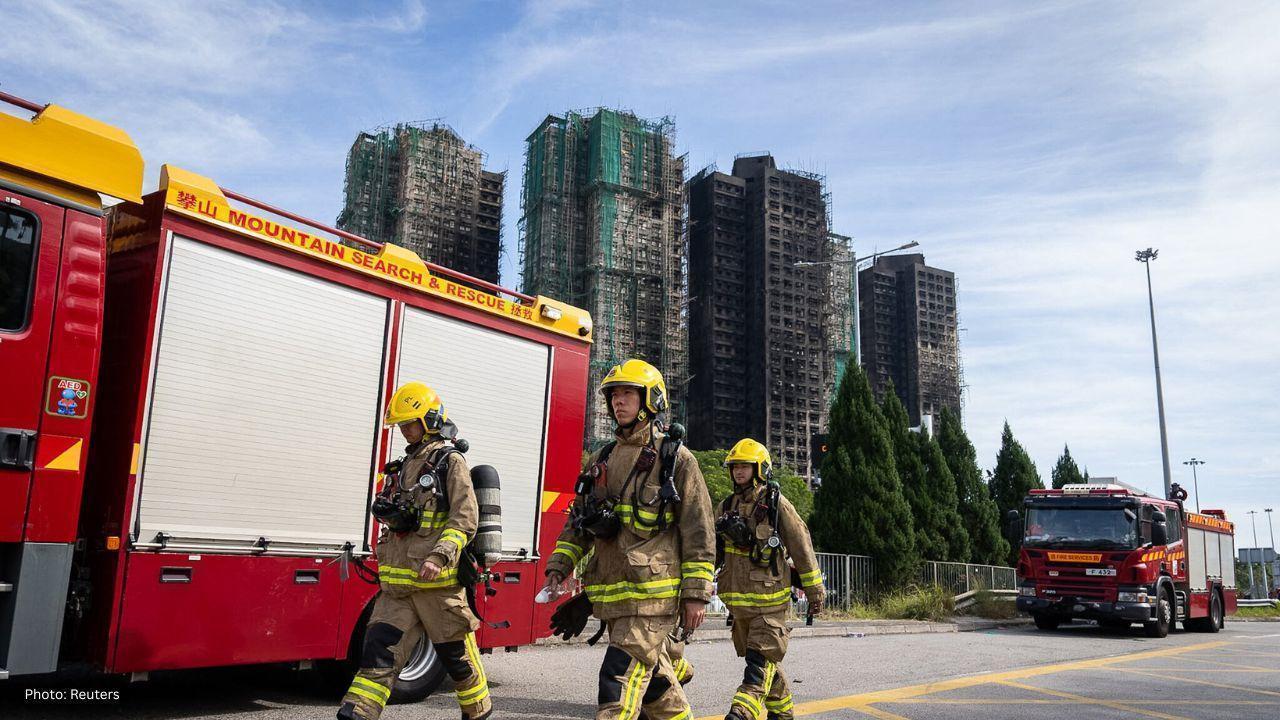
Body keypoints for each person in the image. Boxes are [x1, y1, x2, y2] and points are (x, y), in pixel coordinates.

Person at [543, 359, 715, 720]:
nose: (618, 402)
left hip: (652, 600)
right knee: (654, 688)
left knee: (616, 681)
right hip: (615, 596)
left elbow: (698, 530)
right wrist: (560, 567)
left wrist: (696, 594)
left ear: (650, 400)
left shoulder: (675, 460)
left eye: (627, 394)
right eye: (614, 395)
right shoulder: (602, 457)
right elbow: (579, 521)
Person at [338, 382, 491, 720]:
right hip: (398, 590)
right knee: (378, 652)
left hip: (438, 589)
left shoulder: (450, 462)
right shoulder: (403, 467)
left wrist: (439, 556)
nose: (405, 431)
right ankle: (357, 713)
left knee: (457, 660)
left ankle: (478, 711)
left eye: (410, 423)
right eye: (402, 425)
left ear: (430, 420)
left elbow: (465, 518)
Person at [715, 438, 825, 720]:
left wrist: (815, 592)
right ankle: (782, 713)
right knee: (766, 664)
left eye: (745, 466)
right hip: (739, 607)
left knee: (757, 664)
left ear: (760, 469)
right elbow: (709, 551)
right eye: (735, 466)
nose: (739, 472)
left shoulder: (776, 505)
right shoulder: (725, 506)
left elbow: (802, 546)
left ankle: (742, 711)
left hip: (770, 605)